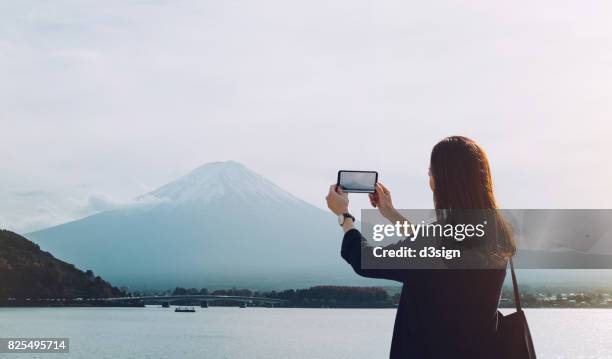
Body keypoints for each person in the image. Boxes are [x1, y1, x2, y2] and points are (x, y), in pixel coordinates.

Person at [326, 136, 516, 358]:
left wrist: (344, 215)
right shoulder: (498, 233)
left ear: (443, 180)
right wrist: (391, 214)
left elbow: (365, 259)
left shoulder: (439, 240)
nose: (429, 178)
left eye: (430, 172)